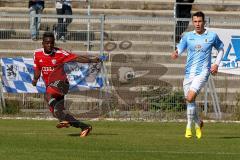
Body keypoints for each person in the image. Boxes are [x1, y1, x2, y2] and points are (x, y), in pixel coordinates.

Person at [32, 32, 101, 137]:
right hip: (50, 85)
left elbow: (76, 58)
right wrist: (35, 79)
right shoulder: (37, 54)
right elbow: (37, 67)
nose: (49, 45)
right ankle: (84, 127)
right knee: (60, 114)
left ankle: (63, 117)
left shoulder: (60, 53)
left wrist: (91, 60)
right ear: (43, 43)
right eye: (47, 43)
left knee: (47, 95)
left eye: (51, 43)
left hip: (61, 84)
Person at [171, 11, 224, 139]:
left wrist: (216, 64)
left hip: (203, 72)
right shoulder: (188, 36)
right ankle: (198, 123)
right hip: (189, 73)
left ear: (204, 22)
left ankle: (188, 127)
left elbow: (221, 49)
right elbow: (180, 48)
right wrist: (176, 52)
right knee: (190, 101)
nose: (197, 24)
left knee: (189, 97)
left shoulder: (211, 36)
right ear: (192, 22)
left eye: (200, 21)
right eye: (195, 21)